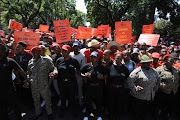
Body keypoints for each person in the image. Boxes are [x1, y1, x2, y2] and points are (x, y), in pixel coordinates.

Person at [27, 46, 58, 120]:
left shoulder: (46, 60)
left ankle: (49, 113)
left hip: (43, 85)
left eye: (38, 52)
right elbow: (28, 73)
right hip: (34, 85)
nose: (36, 53)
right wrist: (27, 80)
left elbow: (53, 68)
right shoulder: (30, 62)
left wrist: (54, 73)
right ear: (32, 53)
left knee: (47, 99)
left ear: (40, 52)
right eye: (34, 52)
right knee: (36, 100)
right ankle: (38, 113)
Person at [128, 54, 161, 120]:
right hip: (139, 97)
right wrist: (135, 88)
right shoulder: (137, 72)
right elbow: (129, 81)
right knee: (139, 115)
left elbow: (159, 79)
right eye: (146, 63)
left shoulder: (154, 71)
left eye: (149, 62)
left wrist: (157, 86)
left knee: (149, 115)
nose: (148, 64)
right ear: (142, 63)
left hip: (150, 97)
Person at [0, 43, 29, 119]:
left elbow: (20, 71)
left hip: (9, 89)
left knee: (14, 105)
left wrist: (28, 80)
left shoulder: (10, 61)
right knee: (3, 108)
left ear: (3, 51)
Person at [81, 51, 107, 119]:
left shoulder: (101, 67)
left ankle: (98, 115)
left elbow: (106, 75)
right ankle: (88, 115)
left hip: (98, 87)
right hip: (89, 86)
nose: (93, 59)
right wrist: (84, 75)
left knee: (99, 101)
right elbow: (79, 72)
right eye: (91, 57)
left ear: (98, 58)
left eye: (94, 57)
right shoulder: (87, 66)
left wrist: (102, 77)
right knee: (88, 101)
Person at [56, 45, 80, 113]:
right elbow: (56, 69)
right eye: (62, 50)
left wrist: (81, 74)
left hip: (71, 82)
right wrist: (54, 74)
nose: (63, 52)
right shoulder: (59, 60)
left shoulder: (74, 61)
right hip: (62, 82)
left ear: (69, 52)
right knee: (63, 97)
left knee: (72, 97)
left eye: (65, 51)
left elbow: (78, 70)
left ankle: (73, 111)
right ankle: (63, 110)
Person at [156, 54, 180, 120]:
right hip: (164, 92)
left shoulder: (176, 69)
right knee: (163, 109)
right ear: (166, 61)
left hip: (173, 92)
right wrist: (160, 85)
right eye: (171, 61)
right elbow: (155, 80)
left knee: (172, 108)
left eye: (173, 61)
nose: (172, 63)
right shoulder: (159, 69)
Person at [108, 52, 130, 120]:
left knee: (119, 104)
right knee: (112, 103)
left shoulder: (125, 69)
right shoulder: (110, 67)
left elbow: (127, 78)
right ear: (114, 58)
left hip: (121, 89)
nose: (118, 60)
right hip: (112, 89)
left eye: (120, 58)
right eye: (117, 58)